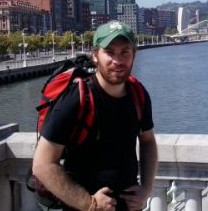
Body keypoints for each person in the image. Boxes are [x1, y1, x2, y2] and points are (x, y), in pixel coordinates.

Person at [33, 20, 158, 211]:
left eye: (125, 52)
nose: (117, 61)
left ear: (134, 55)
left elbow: (147, 140)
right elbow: (42, 164)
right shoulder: (77, 99)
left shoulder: (138, 94)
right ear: (95, 56)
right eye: (109, 52)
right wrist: (90, 204)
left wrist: (146, 188)